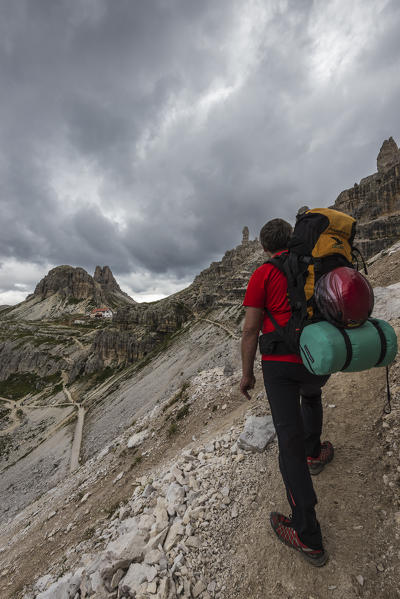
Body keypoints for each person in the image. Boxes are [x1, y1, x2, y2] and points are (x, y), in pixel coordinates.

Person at [239, 218, 333, 567]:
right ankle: (315, 451)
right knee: (312, 396)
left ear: (264, 246)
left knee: (287, 444)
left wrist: (247, 374)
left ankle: (307, 536)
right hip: (315, 357)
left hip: (279, 365)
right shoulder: (313, 265)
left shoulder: (262, 274)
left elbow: (251, 331)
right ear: (291, 239)